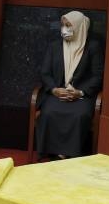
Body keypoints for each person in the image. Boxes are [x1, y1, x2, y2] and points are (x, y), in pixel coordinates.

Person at [35, 11, 104, 159]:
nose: (64, 29)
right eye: (63, 25)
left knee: (79, 115)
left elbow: (97, 76)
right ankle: (50, 152)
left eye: (68, 25)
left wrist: (80, 92)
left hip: (81, 96)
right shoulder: (55, 46)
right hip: (57, 93)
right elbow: (45, 73)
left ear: (79, 27)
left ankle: (70, 154)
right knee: (48, 113)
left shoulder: (93, 47)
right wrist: (54, 90)